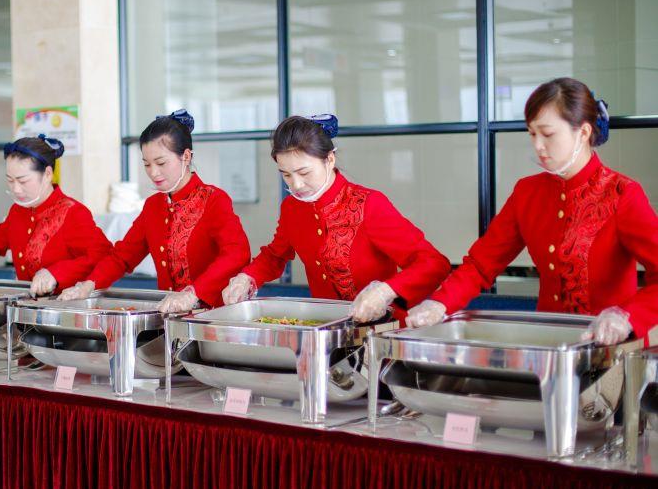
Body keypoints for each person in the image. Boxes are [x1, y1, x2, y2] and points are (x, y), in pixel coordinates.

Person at [407, 77, 658, 346]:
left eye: (547, 134)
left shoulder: (622, 193)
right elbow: (481, 265)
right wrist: (439, 303)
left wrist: (627, 316)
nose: (538, 146)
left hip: (611, 350)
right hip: (548, 345)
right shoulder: (528, 192)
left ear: (583, 133)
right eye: (532, 134)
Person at [222, 114, 450, 322]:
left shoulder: (368, 204)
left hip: (380, 330)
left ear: (329, 159)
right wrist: (246, 277)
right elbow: (275, 255)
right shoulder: (292, 208)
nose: (296, 185)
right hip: (326, 329)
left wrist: (386, 291)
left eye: (304, 173)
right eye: (286, 175)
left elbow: (433, 263)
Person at [58, 110, 250, 313]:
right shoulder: (153, 206)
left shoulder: (213, 199)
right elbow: (122, 256)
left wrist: (194, 292)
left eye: (161, 163)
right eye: (147, 164)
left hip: (213, 315)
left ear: (186, 156)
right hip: (170, 317)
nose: (153, 173)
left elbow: (237, 253)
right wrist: (88, 285)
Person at [0, 135, 112, 295]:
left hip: (67, 308)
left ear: (47, 174)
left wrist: (55, 273)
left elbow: (102, 256)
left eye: (23, 181)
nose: (16, 189)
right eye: (10, 180)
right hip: (29, 308)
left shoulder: (73, 212)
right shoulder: (18, 211)